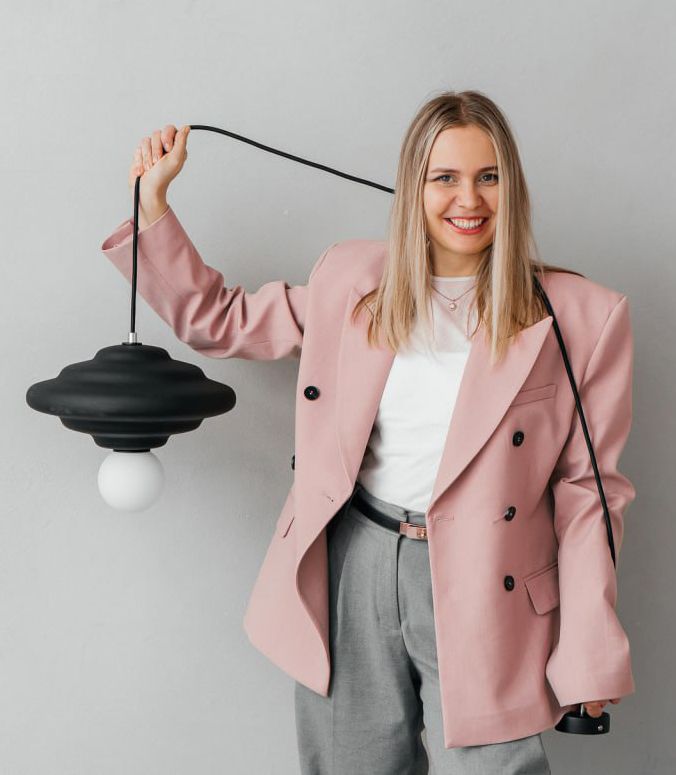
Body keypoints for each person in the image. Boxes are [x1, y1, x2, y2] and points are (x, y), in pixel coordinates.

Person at [101, 90, 636, 774]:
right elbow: (220, 320)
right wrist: (153, 204)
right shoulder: (351, 281)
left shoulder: (583, 317)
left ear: (514, 187)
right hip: (354, 558)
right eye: (444, 177)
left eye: (488, 176)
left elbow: (590, 496)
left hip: (490, 581)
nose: (468, 199)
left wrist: (589, 647)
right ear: (412, 187)